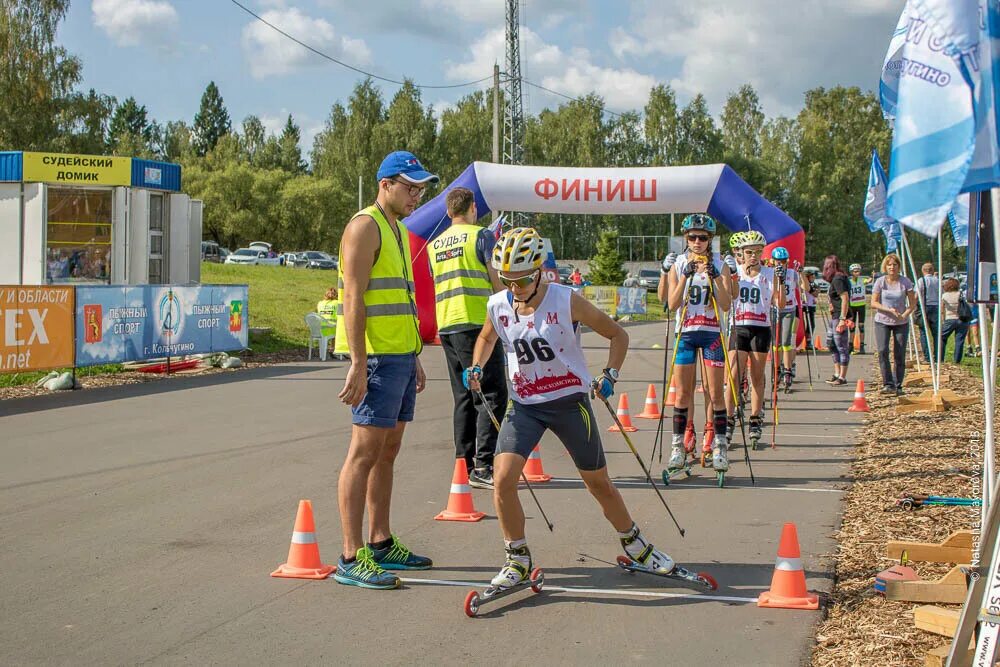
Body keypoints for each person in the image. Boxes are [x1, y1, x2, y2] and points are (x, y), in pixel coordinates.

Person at [465, 226, 677, 590]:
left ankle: (635, 543)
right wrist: (478, 364)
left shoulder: (566, 300)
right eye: (507, 280)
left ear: (539, 272)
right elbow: (487, 336)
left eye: (523, 280)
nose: (514, 289)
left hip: (568, 402)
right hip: (526, 404)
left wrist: (610, 374)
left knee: (598, 483)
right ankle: (517, 558)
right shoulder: (498, 304)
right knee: (502, 480)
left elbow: (618, 335)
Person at [332, 150, 436, 589]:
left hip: (397, 356)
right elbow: (355, 298)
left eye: (420, 188)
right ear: (385, 184)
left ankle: (380, 541)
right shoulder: (364, 226)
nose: (416, 195)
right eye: (409, 187)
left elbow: (399, 299)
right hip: (374, 359)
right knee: (363, 453)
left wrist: (412, 354)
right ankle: (351, 557)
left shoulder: (396, 228)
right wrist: (358, 361)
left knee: (388, 451)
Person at [428, 187, 506, 489]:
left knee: (463, 397)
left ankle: (464, 462)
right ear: (473, 208)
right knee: (491, 395)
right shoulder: (482, 236)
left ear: (449, 212)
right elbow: (496, 278)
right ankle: (483, 465)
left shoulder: (435, 245)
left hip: (447, 324)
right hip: (477, 323)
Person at [658, 214, 734, 472]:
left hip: (712, 333)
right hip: (686, 334)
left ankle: (719, 445)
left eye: (703, 237)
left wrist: (714, 278)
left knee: (715, 393)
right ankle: (678, 446)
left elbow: (725, 304)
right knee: (682, 394)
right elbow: (671, 303)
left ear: (710, 240)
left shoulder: (720, 263)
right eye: (692, 237)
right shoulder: (679, 263)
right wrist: (684, 276)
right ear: (686, 239)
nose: (697, 242)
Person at [724, 231, 785, 446]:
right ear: (741, 252)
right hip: (739, 327)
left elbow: (780, 304)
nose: (753, 256)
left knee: (757, 375)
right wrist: (731, 276)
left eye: (757, 252)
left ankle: (755, 417)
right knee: (733, 375)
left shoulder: (769, 273)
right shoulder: (736, 271)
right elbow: (730, 296)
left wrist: (781, 282)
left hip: (760, 328)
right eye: (749, 252)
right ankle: (728, 418)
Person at [871, 253, 918, 395]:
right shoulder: (880, 281)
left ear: (898, 267)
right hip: (882, 321)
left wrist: (905, 314)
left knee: (899, 353)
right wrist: (889, 310)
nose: (892, 267)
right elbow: (873, 302)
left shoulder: (905, 282)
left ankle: (898, 385)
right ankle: (888, 383)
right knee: (882, 350)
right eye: (889, 265)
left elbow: (912, 303)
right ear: (885, 266)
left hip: (901, 322)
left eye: (895, 265)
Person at [771, 247, 802, 390]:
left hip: (789, 309)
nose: (781, 264)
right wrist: (778, 278)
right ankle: (776, 370)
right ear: (773, 261)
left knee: (786, 341)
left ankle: (788, 370)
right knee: (775, 343)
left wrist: (801, 274)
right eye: (778, 261)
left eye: (784, 261)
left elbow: (804, 288)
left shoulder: (792, 273)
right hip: (775, 310)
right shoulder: (771, 273)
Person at [823, 255, 852, 386]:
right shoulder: (835, 279)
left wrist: (843, 319)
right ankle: (836, 373)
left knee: (841, 346)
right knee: (831, 344)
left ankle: (842, 376)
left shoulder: (838, 278)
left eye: (826, 266)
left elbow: (845, 298)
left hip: (840, 317)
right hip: (834, 315)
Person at [939, 278, 970, 363]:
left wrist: (943, 320)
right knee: (959, 340)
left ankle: (940, 358)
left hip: (949, 319)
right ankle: (957, 360)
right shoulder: (960, 294)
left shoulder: (945, 295)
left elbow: (942, 309)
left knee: (942, 338)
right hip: (962, 319)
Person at [915, 262, 940, 363]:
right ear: (932, 270)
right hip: (935, 307)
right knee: (936, 333)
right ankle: (937, 356)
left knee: (924, 332)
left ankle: (927, 356)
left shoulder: (921, 281)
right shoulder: (937, 281)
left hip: (924, 307)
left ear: (923, 271)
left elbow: (916, 295)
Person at [847, 263, 870, 354]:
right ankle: (851, 345)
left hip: (861, 305)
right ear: (851, 272)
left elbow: (869, 280)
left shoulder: (862, 280)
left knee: (861, 327)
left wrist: (872, 276)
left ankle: (861, 346)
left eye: (858, 271)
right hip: (852, 306)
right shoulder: (849, 282)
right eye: (855, 271)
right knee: (852, 327)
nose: (857, 273)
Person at [801, 269, 818, 350]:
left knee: (811, 324)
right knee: (802, 324)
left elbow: (816, 294)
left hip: (811, 305)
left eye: (814, 275)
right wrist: (812, 290)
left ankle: (808, 341)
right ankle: (803, 340)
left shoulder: (814, 284)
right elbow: (806, 290)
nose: (814, 277)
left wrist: (814, 289)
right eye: (812, 276)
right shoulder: (803, 283)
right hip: (803, 305)